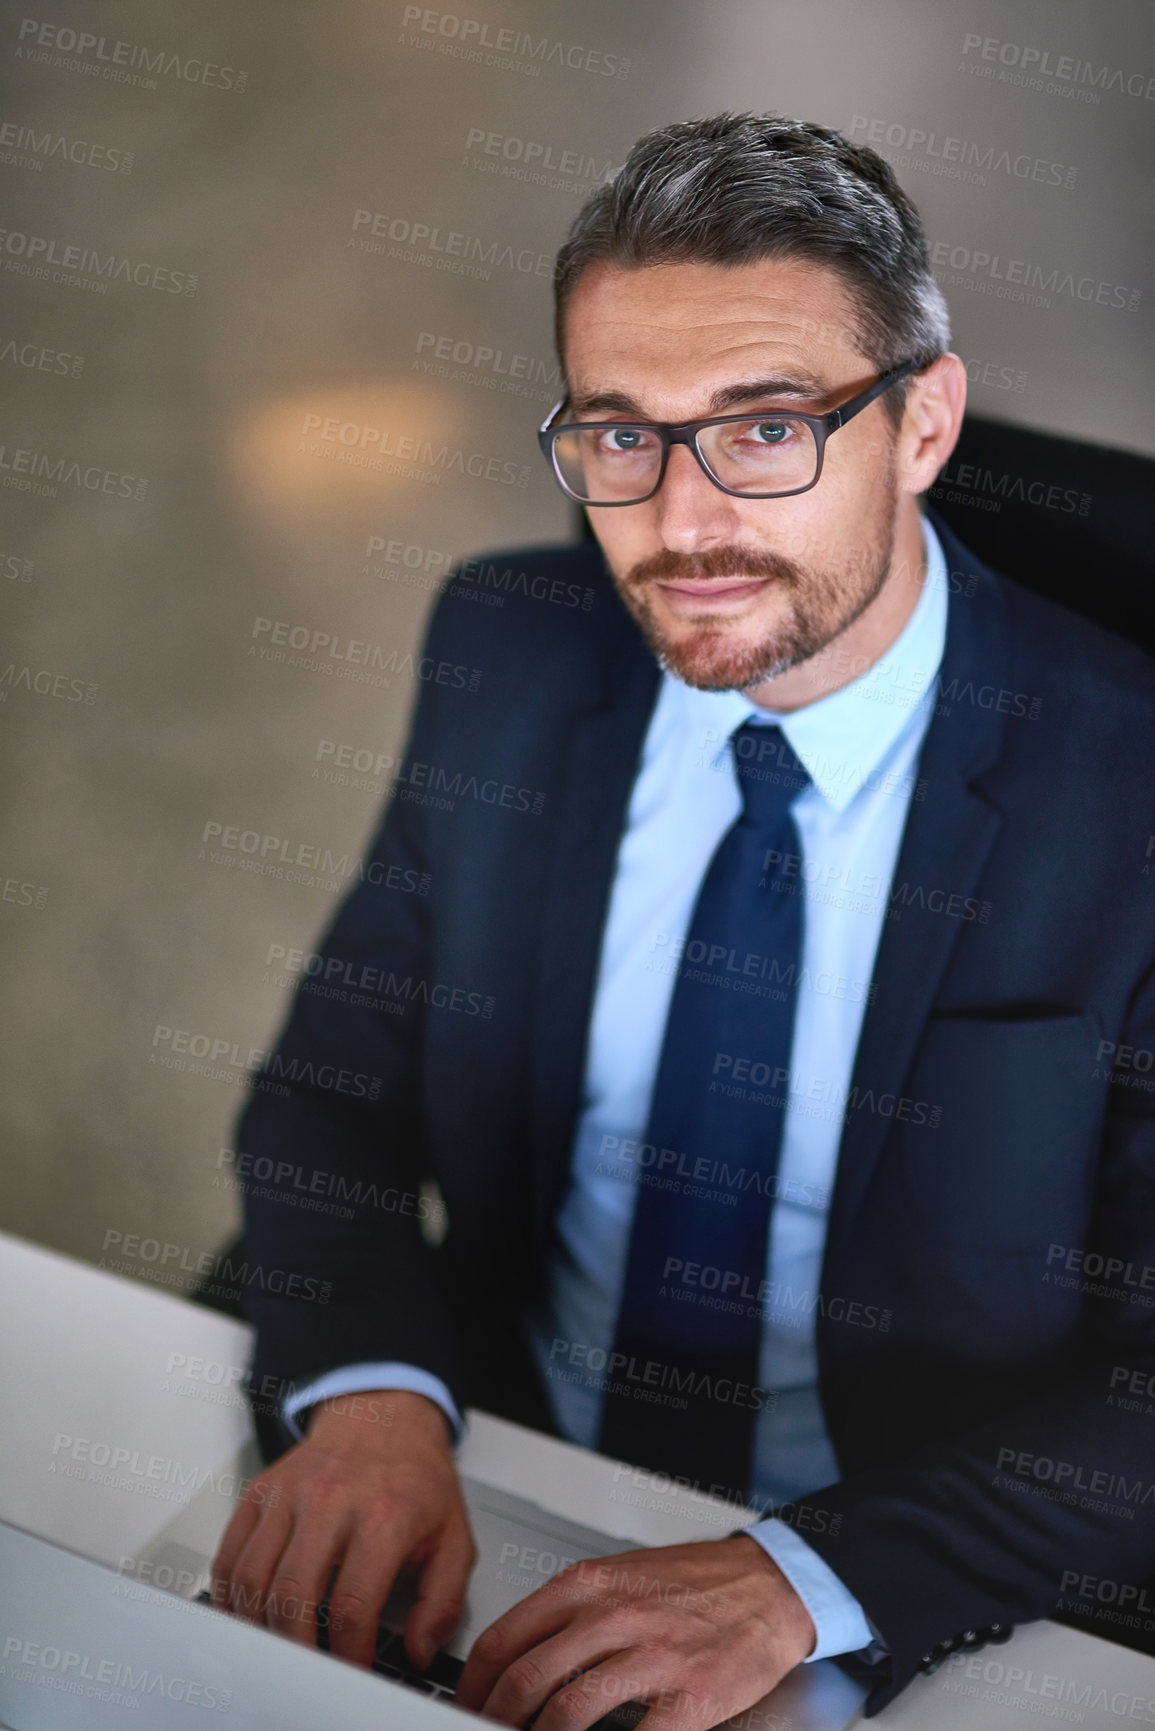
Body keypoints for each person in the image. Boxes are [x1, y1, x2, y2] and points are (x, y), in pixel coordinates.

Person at [210, 114, 1155, 1722]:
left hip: (921, 1572)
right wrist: (372, 1396)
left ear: (924, 424)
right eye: (619, 435)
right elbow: (328, 1096)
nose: (683, 521)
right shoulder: (513, 649)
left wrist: (810, 1580)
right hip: (489, 1471)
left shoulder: (1130, 791)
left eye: (766, 428)